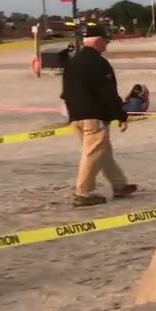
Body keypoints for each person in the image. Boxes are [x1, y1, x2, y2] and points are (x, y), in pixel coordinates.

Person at [59, 24, 137, 207]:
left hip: (75, 116)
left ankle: (119, 184)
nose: (107, 45)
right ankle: (83, 193)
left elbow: (66, 92)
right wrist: (121, 115)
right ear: (98, 41)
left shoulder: (72, 63)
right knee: (93, 155)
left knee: (103, 153)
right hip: (94, 117)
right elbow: (108, 93)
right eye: (105, 42)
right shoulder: (100, 63)